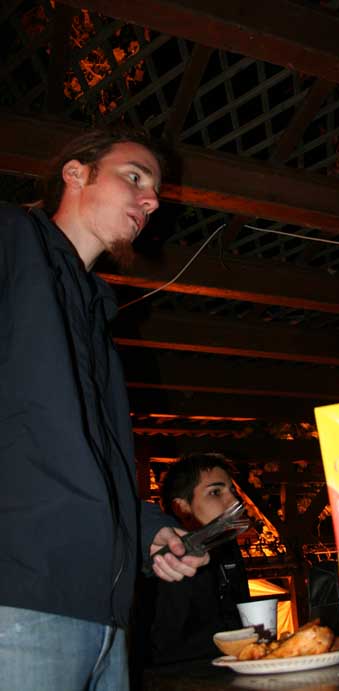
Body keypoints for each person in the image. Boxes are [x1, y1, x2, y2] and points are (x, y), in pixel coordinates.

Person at [0, 128, 208, 691]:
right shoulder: (11, 238)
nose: (151, 201)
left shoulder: (95, 313)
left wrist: (146, 532)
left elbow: (84, 461)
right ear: (76, 173)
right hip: (18, 602)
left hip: (106, 621)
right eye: (135, 177)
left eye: (155, 193)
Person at [145, 453, 250, 668]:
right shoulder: (163, 559)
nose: (234, 501)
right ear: (181, 506)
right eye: (215, 492)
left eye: (232, 491)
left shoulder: (228, 549)